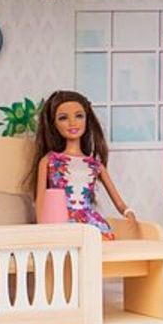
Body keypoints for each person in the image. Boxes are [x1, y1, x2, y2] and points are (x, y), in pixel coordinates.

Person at [30, 89, 138, 237]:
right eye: (63, 118)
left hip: (91, 224)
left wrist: (128, 211)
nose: (72, 123)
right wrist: (42, 228)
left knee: (102, 245)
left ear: (87, 120)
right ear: (54, 124)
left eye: (79, 116)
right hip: (61, 222)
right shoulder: (49, 161)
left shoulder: (95, 165)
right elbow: (41, 200)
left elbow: (118, 202)